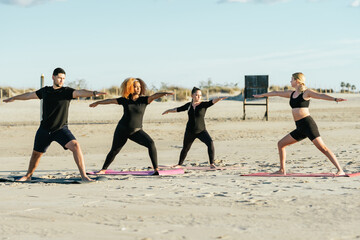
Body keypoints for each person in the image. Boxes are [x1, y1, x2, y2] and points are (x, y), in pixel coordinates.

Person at [3, 67, 105, 182]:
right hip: (45, 129)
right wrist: (14, 98)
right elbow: (28, 95)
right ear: (53, 77)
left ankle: (84, 176)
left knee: (76, 146)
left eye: (63, 78)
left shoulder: (66, 92)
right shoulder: (45, 91)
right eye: (60, 78)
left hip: (60, 129)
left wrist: (94, 93)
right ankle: (28, 176)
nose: (62, 80)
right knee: (36, 154)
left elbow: (80, 92)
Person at [253, 72, 346, 175]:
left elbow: (320, 95)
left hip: (308, 125)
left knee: (323, 148)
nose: (290, 81)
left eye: (291, 79)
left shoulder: (306, 93)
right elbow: (276, 92)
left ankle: (340, 170)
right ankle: (282, 170)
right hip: (300, 127)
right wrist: (262, 95)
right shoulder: (291, 93)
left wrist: (334, 99)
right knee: (281, 144)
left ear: (297, 80)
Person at [89, 77, 173, 175]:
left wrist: (164, 93)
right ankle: (103, 169)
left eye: (139, 87)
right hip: (121, 130)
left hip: (136, 131)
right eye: (135, 87)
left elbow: (154, 96)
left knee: (151, 144)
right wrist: (98, 102)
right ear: (130, 88)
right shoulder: (125, 100)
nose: (138, 89)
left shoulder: (144, 100)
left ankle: (156, 169)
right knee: (114, 150)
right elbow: (111, 101)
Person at [162, 87, 227, 168]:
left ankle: (211, 163)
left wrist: (219, 98)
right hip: (190, 131)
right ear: (192, 95)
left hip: (201, 131)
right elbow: (178, 109)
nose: (199, 97)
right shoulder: (188, 105)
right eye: (196, 95)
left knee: (210, 143)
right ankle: (179, 164)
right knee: (185, 148)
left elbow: (212, 102)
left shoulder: (203, 105)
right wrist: (168, 110)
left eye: (200, 95)